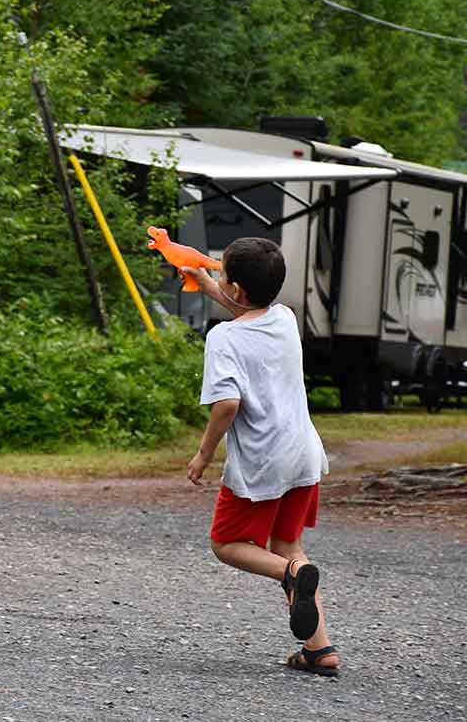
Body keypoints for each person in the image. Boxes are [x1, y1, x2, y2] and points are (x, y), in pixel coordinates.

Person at [181, 237, 339, 677]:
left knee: (227, 544)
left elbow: (227, 405)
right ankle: (319, 650)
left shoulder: (222, 338)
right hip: (303, 454)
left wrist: (202, 454)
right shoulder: (286, 318)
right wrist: (211, 284)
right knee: (288, 544)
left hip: (264, 463)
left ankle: (290, 574)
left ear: (236, 288)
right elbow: (248, 312)